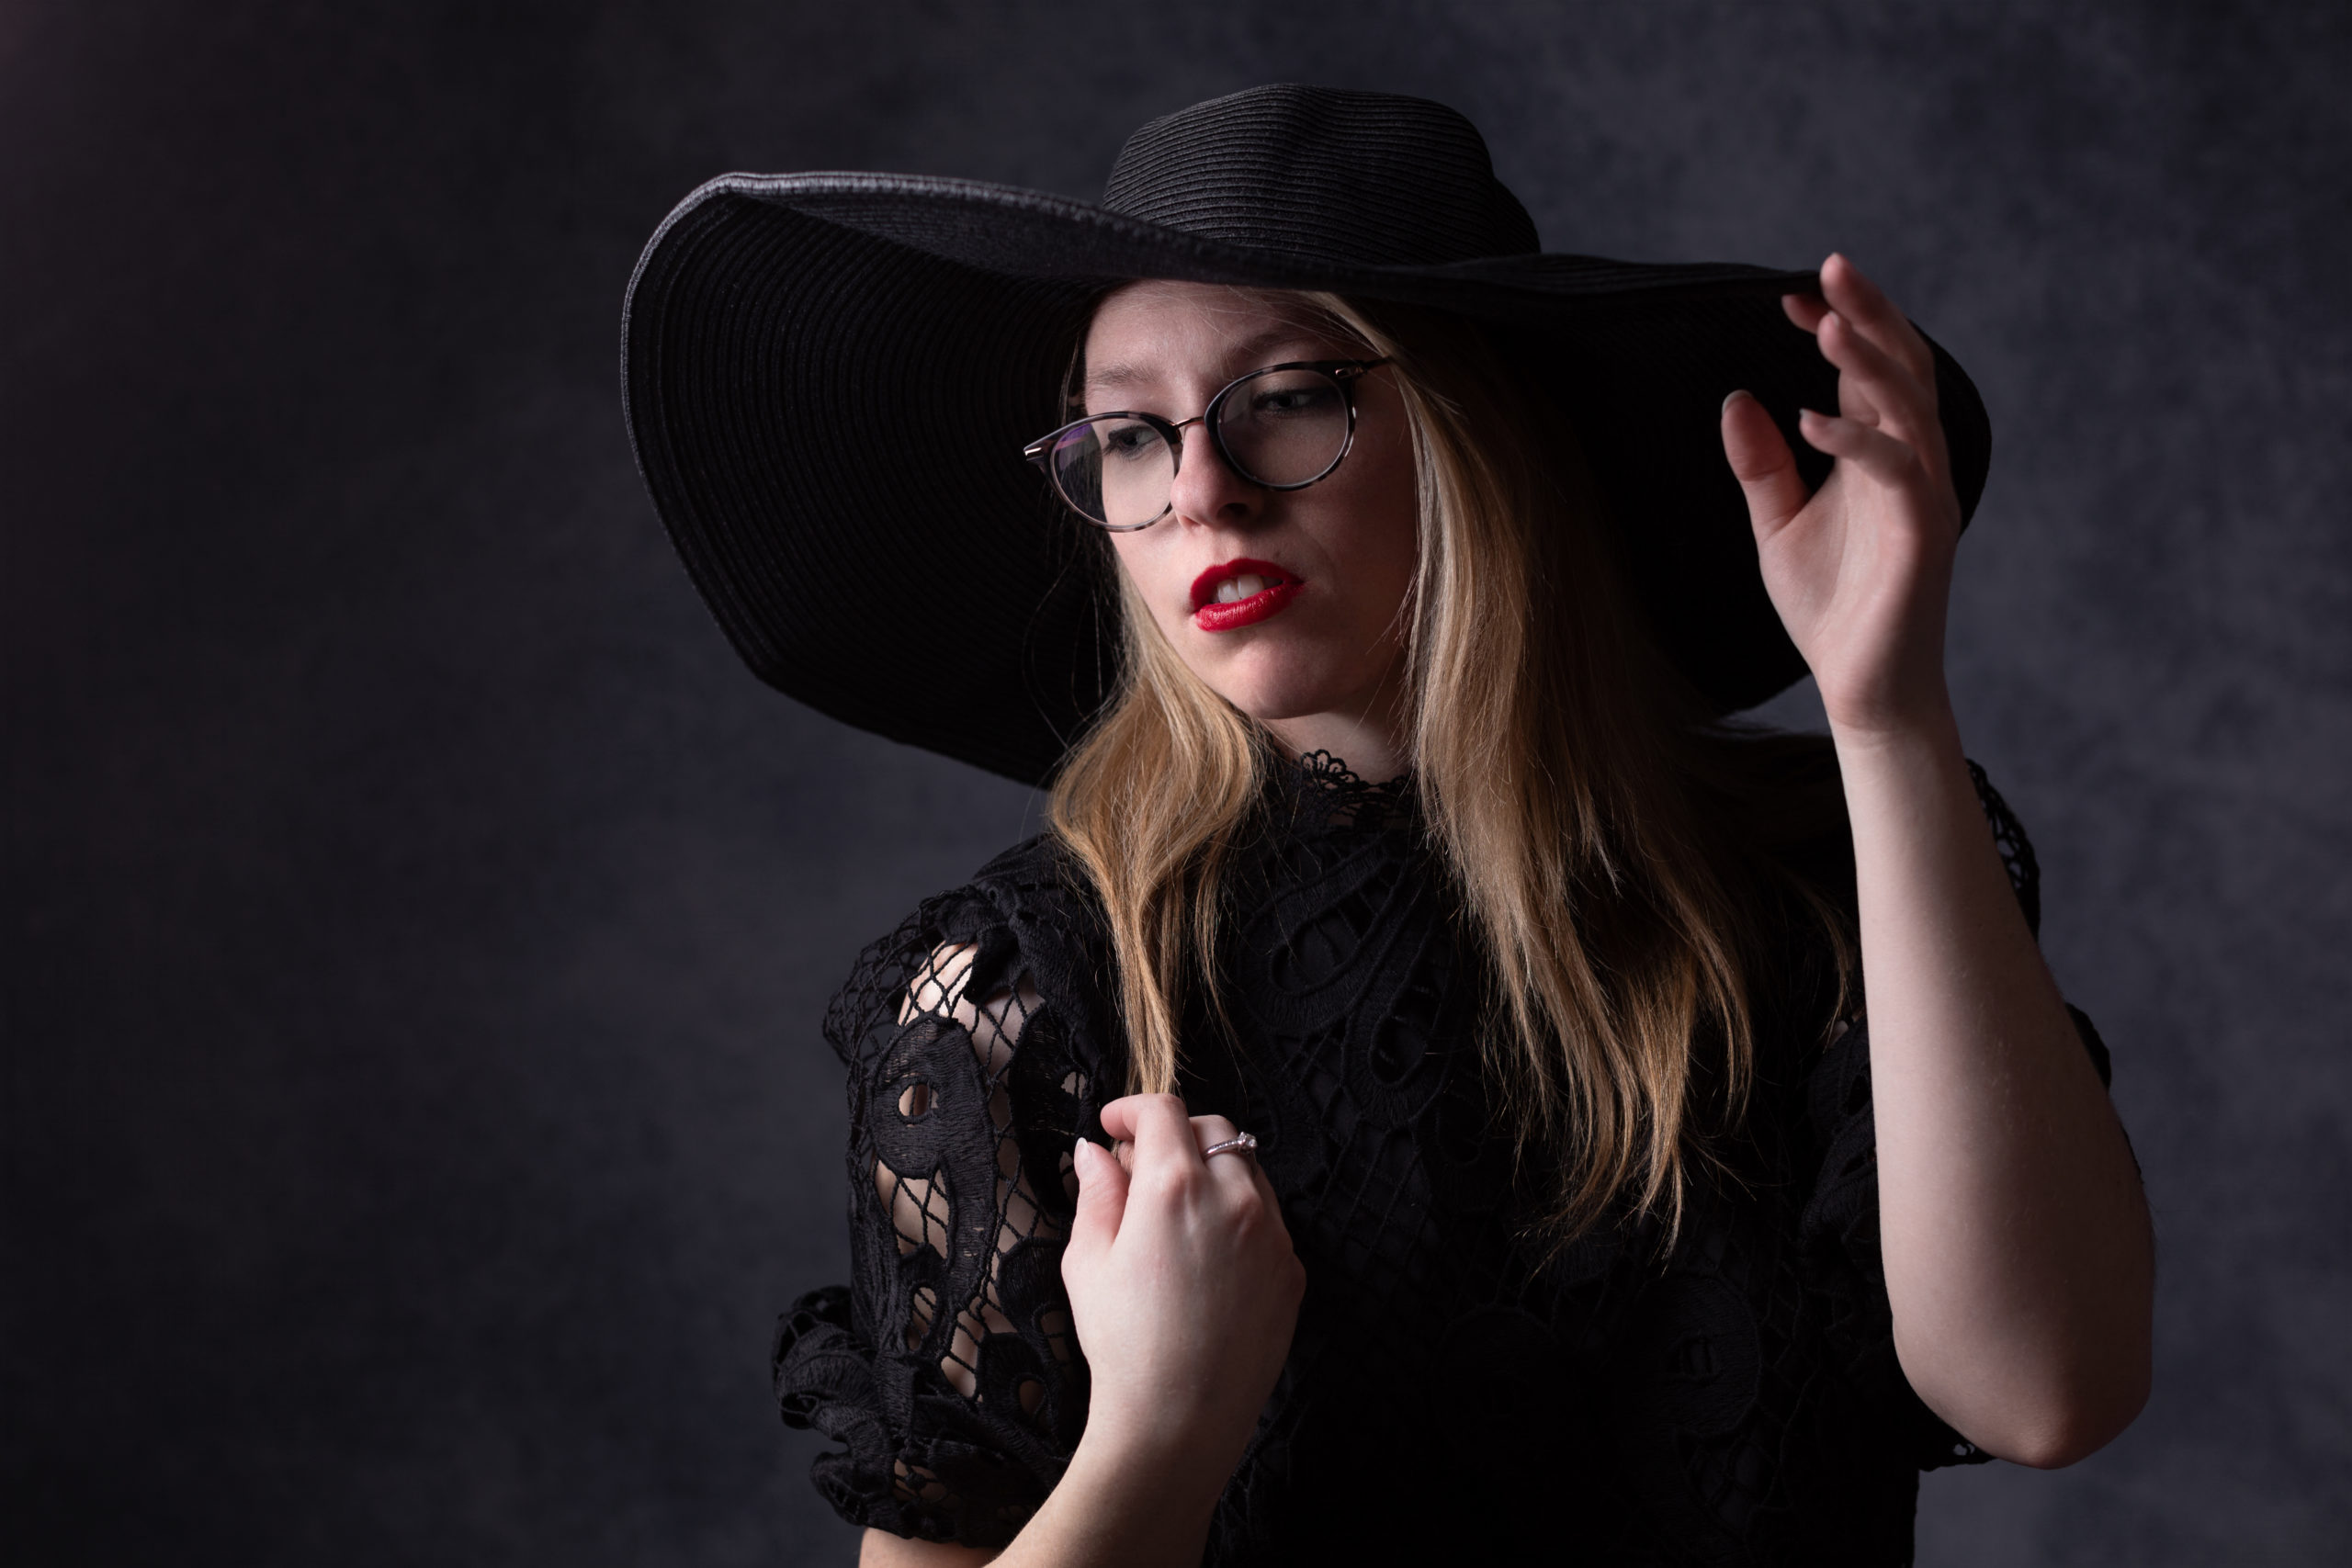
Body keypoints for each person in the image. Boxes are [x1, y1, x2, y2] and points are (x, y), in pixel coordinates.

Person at [623, 85, 2152, 1566]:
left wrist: (1887, 715)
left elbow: (2044, 1390)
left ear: (1483, 433)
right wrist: (1162, 1426)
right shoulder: (1025, 995)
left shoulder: (1821, 881)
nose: (1201, 494)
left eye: (1288, 399)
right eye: (1130, 434)